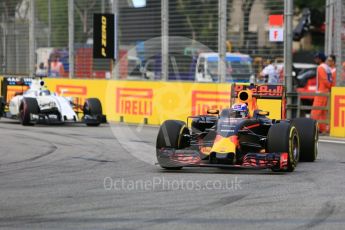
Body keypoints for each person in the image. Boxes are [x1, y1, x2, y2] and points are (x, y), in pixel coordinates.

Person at [310, 52, 333, 133]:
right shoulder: (327, 67)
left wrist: (327, 87)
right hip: (326, 91)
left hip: (321, 92)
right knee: (323, 112)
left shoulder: (320, 67)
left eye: (316, 58)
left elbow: (325, 81)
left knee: (315, 111)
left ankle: (311, 129)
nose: (315, 59)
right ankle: (323, 129)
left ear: (320, 59)